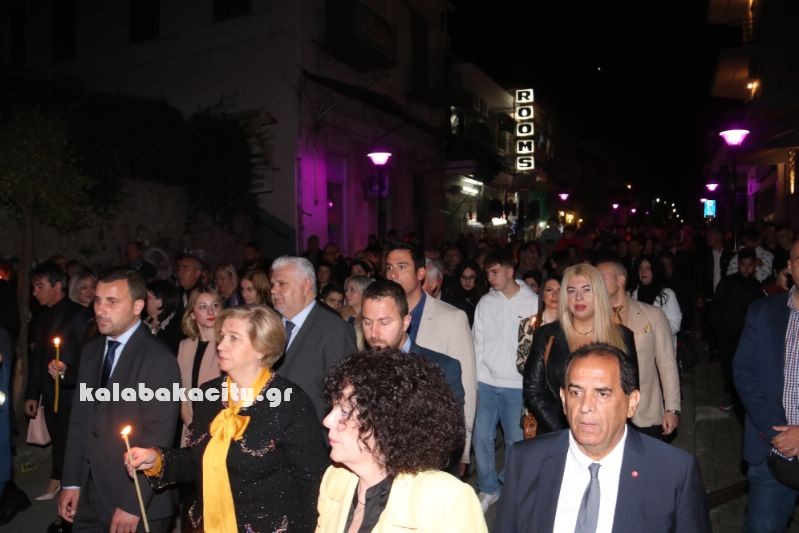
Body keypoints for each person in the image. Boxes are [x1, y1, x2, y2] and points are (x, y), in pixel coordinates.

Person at [126, 306, 328, 532]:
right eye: (222, 336)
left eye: (234, 338)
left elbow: (314, 483)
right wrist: (157, 460)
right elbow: (197, 460)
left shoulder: (289, 402)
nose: (221, 345)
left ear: (262, 348)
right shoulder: (209, 394)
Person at [496, 343, 710, 532]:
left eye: (602, 393)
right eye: (576, 392)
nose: (585, 406)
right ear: (563, 399)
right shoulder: (525, 461)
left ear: (632, 403)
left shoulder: (673, 473)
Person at [58, 269, 181, 532]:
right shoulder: (92, 350)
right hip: (90, 491)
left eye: (112, 302)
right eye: (98, 301)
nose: (100, 310)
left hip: (136, 499)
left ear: (137, 306)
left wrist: (133, 504)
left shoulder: (158, 359)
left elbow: (158, 440)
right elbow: (80, 422)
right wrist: (71, 482)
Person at [316, 350, 487, 532]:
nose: (327, 420)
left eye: (344, 411)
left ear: (384, 422)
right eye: (333, 407)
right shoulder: (335, 479)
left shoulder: (447, 501)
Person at [385, 243, 476, 472]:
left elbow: (467, 386)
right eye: (389, 268)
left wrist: (463, 450)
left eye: (402, 267)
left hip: (434, 441)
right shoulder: (378, 319)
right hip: (389, 440)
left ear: (421, 273)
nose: (393, 274)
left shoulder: (451, 318)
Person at [523, 263, 638, 434]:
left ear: (599, 293)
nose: (578, 297)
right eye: (571, 291)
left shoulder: (622, 336)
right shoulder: (547, 335)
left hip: (606, 432)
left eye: (586, 290)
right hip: (557, 432)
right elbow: (533, 391)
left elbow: (629, 391)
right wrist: (566, 432)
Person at [734, 240, 799, 532]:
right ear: (790, 267)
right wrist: (778, 432)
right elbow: (744, 371)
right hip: (773, 450)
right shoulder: (763, 311)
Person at [472, 249, 538, 512]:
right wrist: (476, 382)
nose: (490, 277)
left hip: (516, 385)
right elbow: (477, 342)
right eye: (488, 272)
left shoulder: (532, 302)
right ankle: (488, 488)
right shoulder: (485, 303)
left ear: (510, 271)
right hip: (487, 382)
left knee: (515, 442)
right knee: (481, 438)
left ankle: (507, 483)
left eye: (495, 271)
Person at [25, 262, 91, 503]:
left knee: (70, 446)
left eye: (39, 286)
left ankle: (73, 497)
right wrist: (32, 394)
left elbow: (90, 356)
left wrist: (69, 370)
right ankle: (64, 488)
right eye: (33, 287)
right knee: (59, 444)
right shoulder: (42, 318)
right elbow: (37, 360)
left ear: (57, 286)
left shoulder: (79, 315)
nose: (35, 292)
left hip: (73, 395)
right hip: (50, 393)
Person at [597, 260, 681, 440]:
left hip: (645, 410)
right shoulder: (593, 318)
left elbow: (667, 363)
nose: (596, 283)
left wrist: (672, 409)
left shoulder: (652, 315)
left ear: (620, 280)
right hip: (604, 412)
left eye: (601, 278)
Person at [270, 256, 357, 419]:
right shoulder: (269, 324)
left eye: (282, 284)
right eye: (273, 284)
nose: (273, 290)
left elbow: (343, 394)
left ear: (306, 286)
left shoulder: (335, 330)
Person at [360, 279, 464, 409]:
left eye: (384, 323)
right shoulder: (359, 369)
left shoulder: (442, 369)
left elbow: (452, 421)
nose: (373, 333)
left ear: (405, 323)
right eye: (367, 323)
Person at [713, 247, 765, 411]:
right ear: (738, 264)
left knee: (746, 366)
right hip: (727, 332)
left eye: (750, 265)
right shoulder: (728, 282)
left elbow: (760, 310)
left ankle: (742, 397)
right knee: (728, 365)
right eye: (743, 264)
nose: (746, 268)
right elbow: (716, 305)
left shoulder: (756, 286)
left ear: (754, 265)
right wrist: (718, 329)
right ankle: (729, 394)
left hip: (747, 333)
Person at [176, 287, 222, 441]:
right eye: (203, 307)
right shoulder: (185, 346)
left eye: (215, 305)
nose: (211, 311)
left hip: (220, 430)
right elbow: (180, 392)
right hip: (190, 429)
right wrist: (191, 425)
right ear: (192, 314)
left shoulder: (227, 345)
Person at [629, 254, 682, 348]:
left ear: (655, 271)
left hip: (660, 347)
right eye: (640, 268)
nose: (643, 271)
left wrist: (654, 333)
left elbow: (675, 323)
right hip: (638, 346)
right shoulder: (632, 293)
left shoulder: (667, 294)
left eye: (648, 268)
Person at [517, 276, 560, 373]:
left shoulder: (574, 323)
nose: (555, 295)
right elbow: (521, 362)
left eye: (559, 290)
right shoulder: (528, 324)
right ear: (542, 295)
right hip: (537, 378)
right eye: (549, 290)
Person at [144, 279, 184, 356]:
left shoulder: (177, 326)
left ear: (162, 300)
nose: (144, 299)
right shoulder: (144, 319)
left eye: (148, 297)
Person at [442, 261, 486, 327]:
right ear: (458, 277)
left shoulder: (484, 297)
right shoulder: (449, 296)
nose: (467, 281)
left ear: (477, 277)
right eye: (463, 277)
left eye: (471, 277)